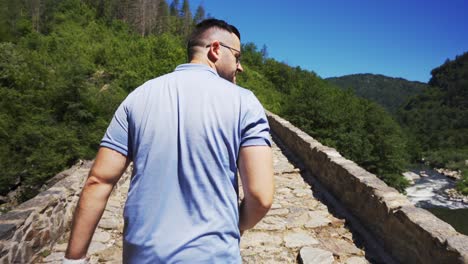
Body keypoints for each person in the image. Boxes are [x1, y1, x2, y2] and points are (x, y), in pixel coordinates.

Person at [64, 18, 274, 264]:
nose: (240, 67)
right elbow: (260, 197)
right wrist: (235, 228)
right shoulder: (245, 102)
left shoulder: (138, 97)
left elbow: (98, 181)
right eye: (237, 57)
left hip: (142, 256)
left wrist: (73, 259)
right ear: (216, 49)